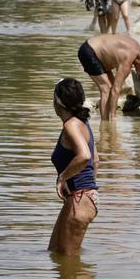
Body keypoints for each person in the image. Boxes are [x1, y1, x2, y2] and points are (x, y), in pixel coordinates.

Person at [49, 78, 99, 256]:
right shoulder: (81, 123)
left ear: (56, 102)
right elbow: (96, 160)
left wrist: (63, 178)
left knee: (70, 270)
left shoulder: (72, 126)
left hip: (79, 201)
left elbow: (85, 156)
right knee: (55, 253)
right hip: (79, 199)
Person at [77, 34, 140, 121]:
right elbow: (116, 89)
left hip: (96, 52)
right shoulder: (128, 58)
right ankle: (105, 123)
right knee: (106, 89)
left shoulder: (136, 50)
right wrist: (114, 117)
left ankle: (107, 119)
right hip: (89, 51)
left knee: (111, 87)